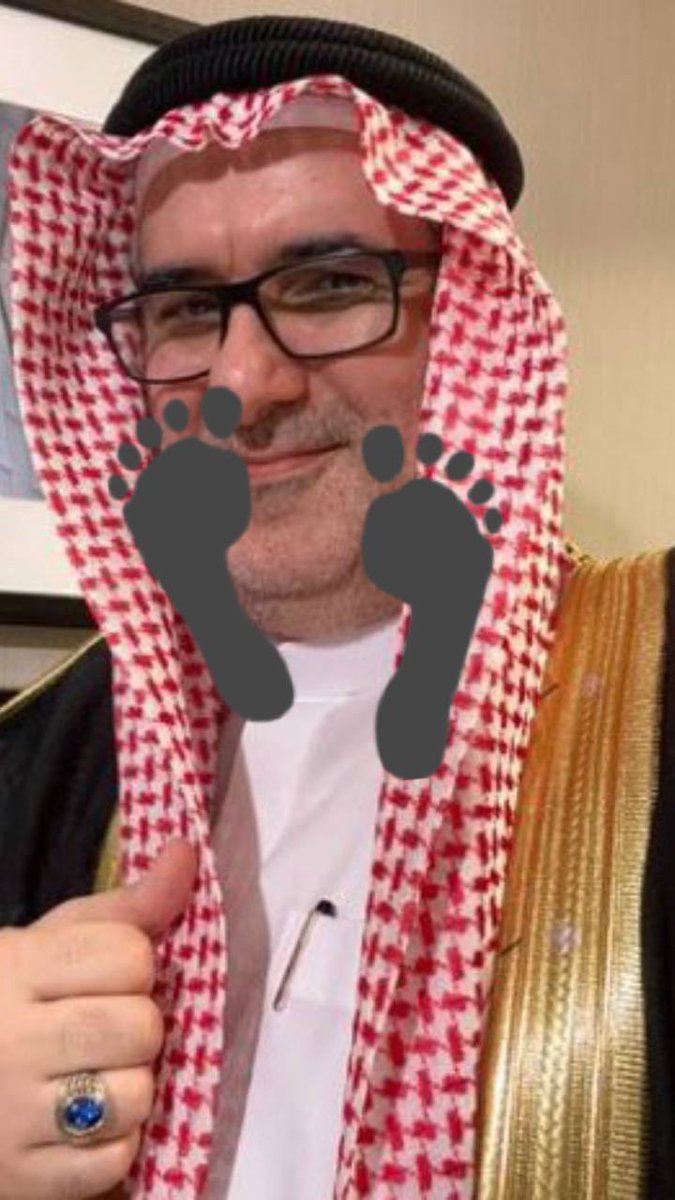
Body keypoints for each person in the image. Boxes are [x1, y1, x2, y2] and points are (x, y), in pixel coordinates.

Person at [0, 14, 672, 1200]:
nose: (242, 386)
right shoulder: (36, 756)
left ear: (471, 322)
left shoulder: (656, 701)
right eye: (185, 310)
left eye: (328, 284)